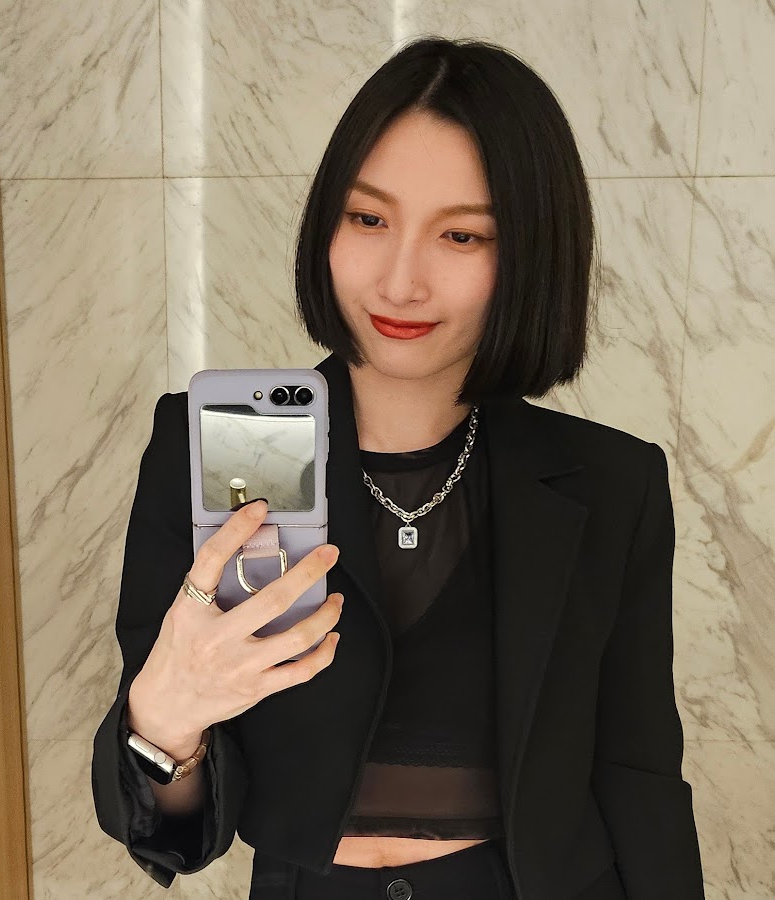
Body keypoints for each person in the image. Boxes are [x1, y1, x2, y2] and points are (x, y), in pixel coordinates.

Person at [92, 36, 706, 899]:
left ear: (530, 253)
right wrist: (163, 720)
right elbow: (172, 838)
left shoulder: (611, 483)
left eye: (461, 235)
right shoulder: (210, 449)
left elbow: (639, 778)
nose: (400, 281)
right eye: (368, 220)